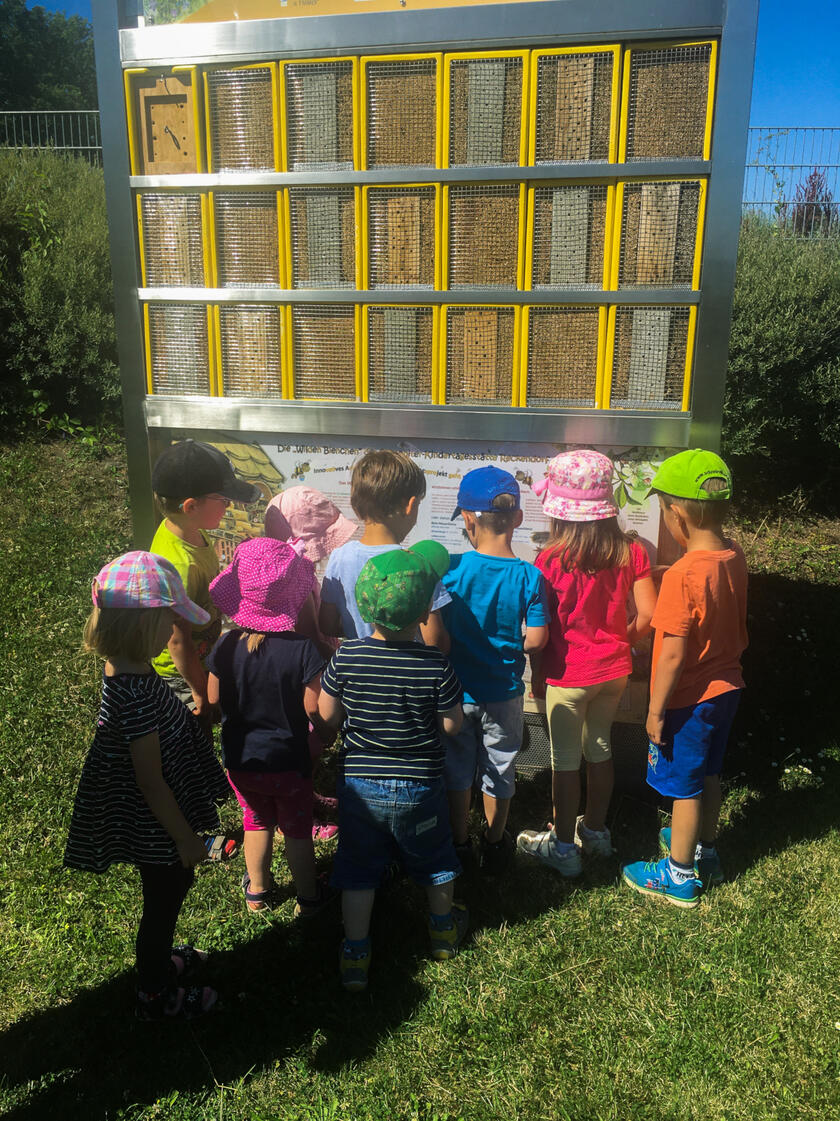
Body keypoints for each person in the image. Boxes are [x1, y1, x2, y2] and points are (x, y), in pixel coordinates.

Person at [64, 551, 230, 1021]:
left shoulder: (128, 667)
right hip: (155, 824)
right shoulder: (134, 695)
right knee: (163, 901)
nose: (176, 631)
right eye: (169, 620)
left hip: (156, 819)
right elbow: (150, 781)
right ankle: (155, 993)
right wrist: (184, 838)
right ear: (143, 628)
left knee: (172, 888)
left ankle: (159, 964)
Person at [318, 542, 465, 992]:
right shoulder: (436, 665)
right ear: (426, 611)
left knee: (359, 869)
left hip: (361, 787)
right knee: (435, 860)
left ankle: (356, 953)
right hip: (421, 785)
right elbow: (452, 726)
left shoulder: (347, 658)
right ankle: (442, 931)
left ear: (362, 606)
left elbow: (326, 716)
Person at [515, 451, 657, 877]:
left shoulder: (549, 560)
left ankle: (562, 848)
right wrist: (618, 641)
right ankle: (595, 832)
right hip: (614, 672)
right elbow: (648, 616)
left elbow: (542, 629)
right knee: (600, 748)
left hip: (568, 675)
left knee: (564, 762)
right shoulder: (632, 552)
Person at [622, 449, 747, 909]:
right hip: (726, 689)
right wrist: (667, 574)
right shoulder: (733, 554)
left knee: (684, 788)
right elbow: (708, 588)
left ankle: (677, 875)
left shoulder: (681, 578)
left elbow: (671, 653)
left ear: (675, 515)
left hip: (688, 698)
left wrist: (655, 711)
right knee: (709, 773)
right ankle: (707, 852)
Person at [206, 537, 335, 916]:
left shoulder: (226, 645)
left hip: (241, 759)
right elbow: (314, 708)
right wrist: (324, 732)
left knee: (256, 819)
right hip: (288, 760)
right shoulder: (302, 649)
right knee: (296, 828)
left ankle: (257, 892)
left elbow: (213, 699)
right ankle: (309, 897)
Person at [440, 466, 549, 875]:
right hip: (504, 691)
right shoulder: (530, 576)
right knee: (500, 766)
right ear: (518, 518)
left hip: (455, 693)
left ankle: (459, 841)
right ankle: (495, 840)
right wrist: (512, 647)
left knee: (457, 767)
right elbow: (536, 640)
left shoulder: (450, 569)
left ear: (467, 519)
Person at [265, 485, 359, 839]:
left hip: (290, 674)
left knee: (304, 749)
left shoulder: (284, 570)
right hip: (305, 679)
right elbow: (308, 640)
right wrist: (342, 662)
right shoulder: (298, 583)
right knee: (305, 749)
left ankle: (303, 795)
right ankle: (298, 813)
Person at [149, 440, 261, 723]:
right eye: (223, 501)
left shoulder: (189, 530)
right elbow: (177, 641)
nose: (228, 506)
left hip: (202, 654)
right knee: (193, 738)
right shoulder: (180, 566)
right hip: (181, 675)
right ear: (190, 506)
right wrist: (200, 692)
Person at [318, 450, 451, 651]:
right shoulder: (418, 565)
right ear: (411, 505)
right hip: (407, 675)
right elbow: (435, 642)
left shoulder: (339, 558)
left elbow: (327, 624)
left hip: (359, 672)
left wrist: (361, 632)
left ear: (355, 506)